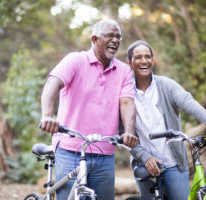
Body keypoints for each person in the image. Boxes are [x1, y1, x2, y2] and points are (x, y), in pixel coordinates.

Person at [39, 19, 138, 200]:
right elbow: (52, 84)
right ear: (94, 39)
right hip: (71, 149)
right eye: (110, 35)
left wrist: (129, 132)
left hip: (105, 152)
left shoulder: (124, 70)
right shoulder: (75, 60)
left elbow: (127, 102)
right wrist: (47, 116)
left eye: (118, 37)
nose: (115, 40)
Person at [127, 40, 206, 200]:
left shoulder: (166, 86)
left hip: (173, 163)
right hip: (144, 163)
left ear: (152, 60)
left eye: (147, 56)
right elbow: (125, 133)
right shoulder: (125, 93)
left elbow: (190, 104)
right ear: (129, 62)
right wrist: (145, 157)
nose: (144, 61)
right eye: (138, 57)